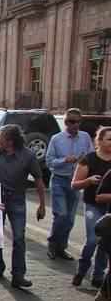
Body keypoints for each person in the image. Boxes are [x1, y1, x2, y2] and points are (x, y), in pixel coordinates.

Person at [0, 125, 46, 288]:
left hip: (17, 200)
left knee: (19, 238)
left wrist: (42, 205)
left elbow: (38, 180)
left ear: (10, 141)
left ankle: (18, 275)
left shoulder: (28, 155)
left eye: (0, 136)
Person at [46, 108, 94, 261]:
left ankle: (61, 247)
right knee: (61, 215)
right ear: (66, 123)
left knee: (70, 219)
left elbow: (92, 156)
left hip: (75, 181)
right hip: (60, 179)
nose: (76, 125)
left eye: (79, 122)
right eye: (73, 122)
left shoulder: (85, 137)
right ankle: (52, 243)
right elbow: (49, 162)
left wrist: (85, 158)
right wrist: (64, 159)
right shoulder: (56, 139)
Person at [76, 126, 111, 290]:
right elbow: (74, 184)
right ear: (100, 140)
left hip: (109, 209)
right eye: (109, 139)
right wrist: (89, 180)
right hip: (92, 205)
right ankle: (81, 271)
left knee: (105, 243)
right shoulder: (88, 159)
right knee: (93, 240)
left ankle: (97, 275)